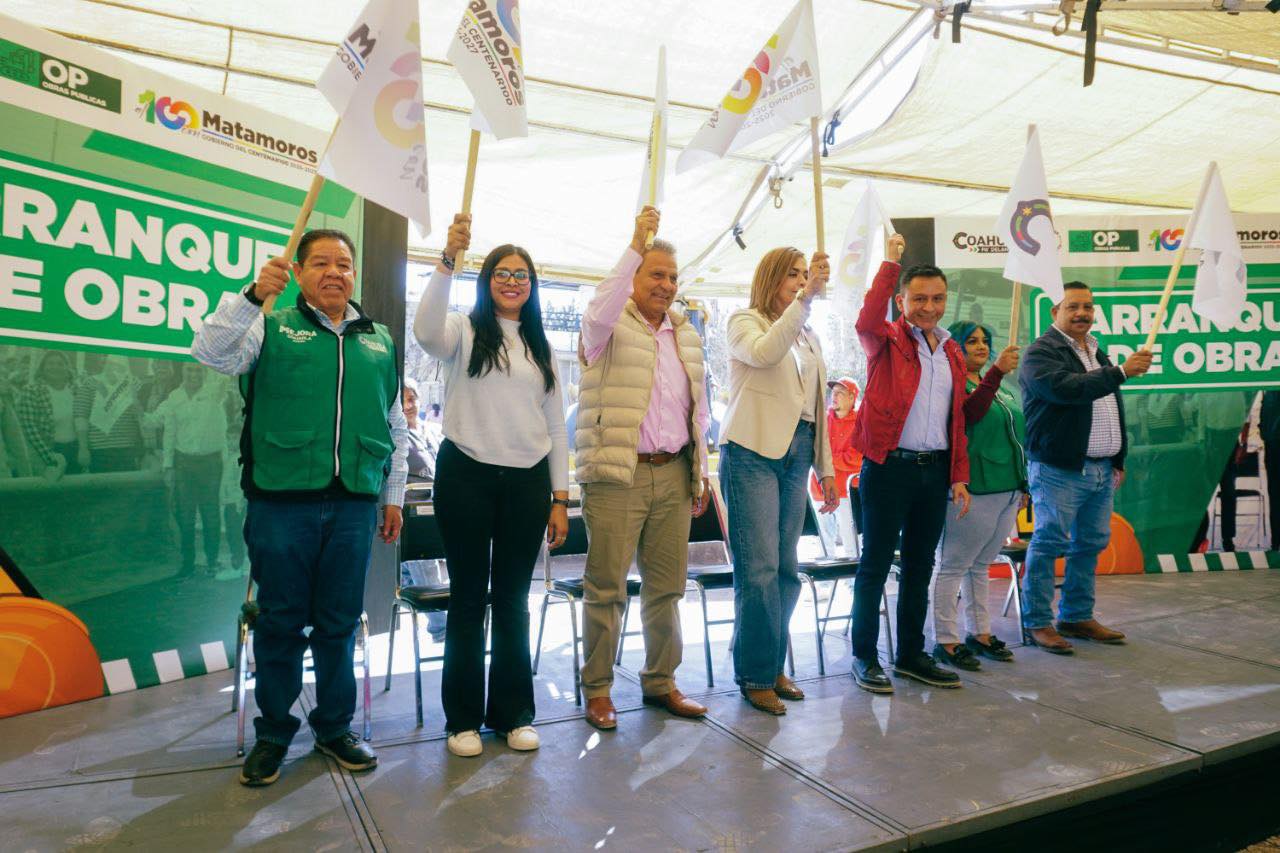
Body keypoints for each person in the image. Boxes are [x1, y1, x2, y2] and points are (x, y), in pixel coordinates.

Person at [192, 228, 407, 786]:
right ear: (299, 273)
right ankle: (273, 734)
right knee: (281, 622)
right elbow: (210, 351)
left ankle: (334, 728)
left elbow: (394, 422)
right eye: (321, 263)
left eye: (344, 264)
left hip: (354, 505)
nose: (335, 272)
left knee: (338, 623)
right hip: (281, 503)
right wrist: (250, 297)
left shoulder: (379, 340)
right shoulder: (269, 325)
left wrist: (393, 495)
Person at [413, 214, 569, 757]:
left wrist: (561, 497)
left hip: (528, 484)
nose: (512, 281)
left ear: (532, 285)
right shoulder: (462, 329)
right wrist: (447, 261)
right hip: (466, 476)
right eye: (502, 273)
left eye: (521, 274)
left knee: (512, 600)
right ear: (486, 281)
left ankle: (513, 713)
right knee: (467, 598)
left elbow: (556, 428)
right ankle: (461, 720)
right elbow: (424, 331)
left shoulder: (541, 347)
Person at [575, 206, 711, 731]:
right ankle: (598, 690)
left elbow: (697, 410)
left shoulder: (686, 334)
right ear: (633, 275)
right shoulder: (606, 326)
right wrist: (635, 243)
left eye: (673, 277)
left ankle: (660, 681)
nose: (666, 285)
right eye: (655, 274)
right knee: (606, 588)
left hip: (673, 472)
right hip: (618, 475)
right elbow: (599, 308)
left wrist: (698, 472)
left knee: (667, 587)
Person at [849, 234, 972, 694]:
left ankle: (910, 656)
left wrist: (958, 476)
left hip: (933, 471)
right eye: (919, 298)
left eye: (937, 298)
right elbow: (866, 318)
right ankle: (864, 657)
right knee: (875, 566)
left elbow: (956, 419)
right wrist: (889, 264)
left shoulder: (952, 351)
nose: (929, 307)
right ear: (901, 301)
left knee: (921, 567)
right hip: (887, 468)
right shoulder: (885, 339)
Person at [720, 246, 836, 715]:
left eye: (805, 275)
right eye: (793, 275)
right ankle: (756, 674)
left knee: (786, 569)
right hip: (751, 451)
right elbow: (765, 353)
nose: (802, 282)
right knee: (760, 569)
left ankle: (769, 663)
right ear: (770, 277)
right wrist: (804, 301)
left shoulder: (808, 335)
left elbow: (818, 408)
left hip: (798, 449)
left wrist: (826, 469)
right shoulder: (744, 322)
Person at [1018, 281, 1151, 654]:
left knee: (1090, 544)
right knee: (1049, 543)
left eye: (1088, 307)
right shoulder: (1040, 353)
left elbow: (1109, 408)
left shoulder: (1095, 351)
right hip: (1059, 469)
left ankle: (1076, 616)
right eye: (1073, 306)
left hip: (1100, 469)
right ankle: (1037, 622)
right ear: (1054, 312)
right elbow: (1067, 389)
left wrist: (1116, 459)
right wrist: (1121, 372)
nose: (1082, 314)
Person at [931, 322, 1023, 671]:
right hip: (973, 487)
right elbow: (971, 414)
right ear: (955, 347)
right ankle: (946, 640)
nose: (981, 346)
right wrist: (996, 373)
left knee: (981, 564)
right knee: (953, 565)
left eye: (985, 340)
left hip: (1007, 486)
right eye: (971, 341)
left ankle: (980, 633)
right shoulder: (953, 385)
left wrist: (1022, 483)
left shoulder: (1000, 387)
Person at [150, 363, 230, 579]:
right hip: (184, 464)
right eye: (189, 370)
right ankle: (187, 564)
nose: (194, 374)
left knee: (210, 514)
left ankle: (212, 562)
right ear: (182, 372)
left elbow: (225, 377)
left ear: (205, 372)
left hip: (210, 464)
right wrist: (168, 466)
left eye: (198, 370)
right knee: (185, 516)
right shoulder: (174, 397)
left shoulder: (215, 392)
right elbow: (169, 433)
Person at [809, 377, 862, 556]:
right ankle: (826, 573)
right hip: (819, 489)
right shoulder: (822, 420)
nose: (834, 396)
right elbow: (813, 451)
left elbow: (856, 459)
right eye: (833, 392)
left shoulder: (860, 423)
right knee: (824, 545)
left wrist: (826, 458)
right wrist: (831, 459)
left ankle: (852, 574)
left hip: (846, 492)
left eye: (840, 393)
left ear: (852, 398)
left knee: (851, 541)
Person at [73, 354, 144, 472]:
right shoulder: (90, 383)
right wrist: (83, 449)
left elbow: (140, 417)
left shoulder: (133, 383)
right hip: (99, 450)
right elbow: (81, 417)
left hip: (128, 449)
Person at [17, 350, 78, 478]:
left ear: (67, 368)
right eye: (50, 363)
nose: (55, 367)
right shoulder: (31, 391)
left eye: (60, 364)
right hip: (47, 453)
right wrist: (50, 457)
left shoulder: (76, 390)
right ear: (42, 368)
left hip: (75, 451)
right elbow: (29, 429)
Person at [1262, 391, 1280, 552]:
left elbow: (1263, 429)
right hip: (1273, 447)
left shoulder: (1268, 395)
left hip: (1272, 450)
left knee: (1274, 498)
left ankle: (1275, 543)